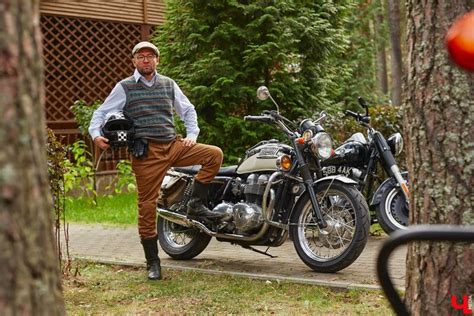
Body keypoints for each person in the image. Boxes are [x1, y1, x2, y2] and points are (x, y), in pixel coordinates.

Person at [88, 41, 225, 281]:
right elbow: (101, 113)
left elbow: (188, 111)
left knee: (214, 154)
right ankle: (153, 262)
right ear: (134, 61)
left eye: (150, 56)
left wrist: (192, 136)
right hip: (147, 153)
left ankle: (195, 203)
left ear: (157, 60)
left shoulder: (168, 84)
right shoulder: (125, 87)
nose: (146, 60)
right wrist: (96, 135)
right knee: (147, 206)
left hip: (174, 146)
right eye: (141, 57)